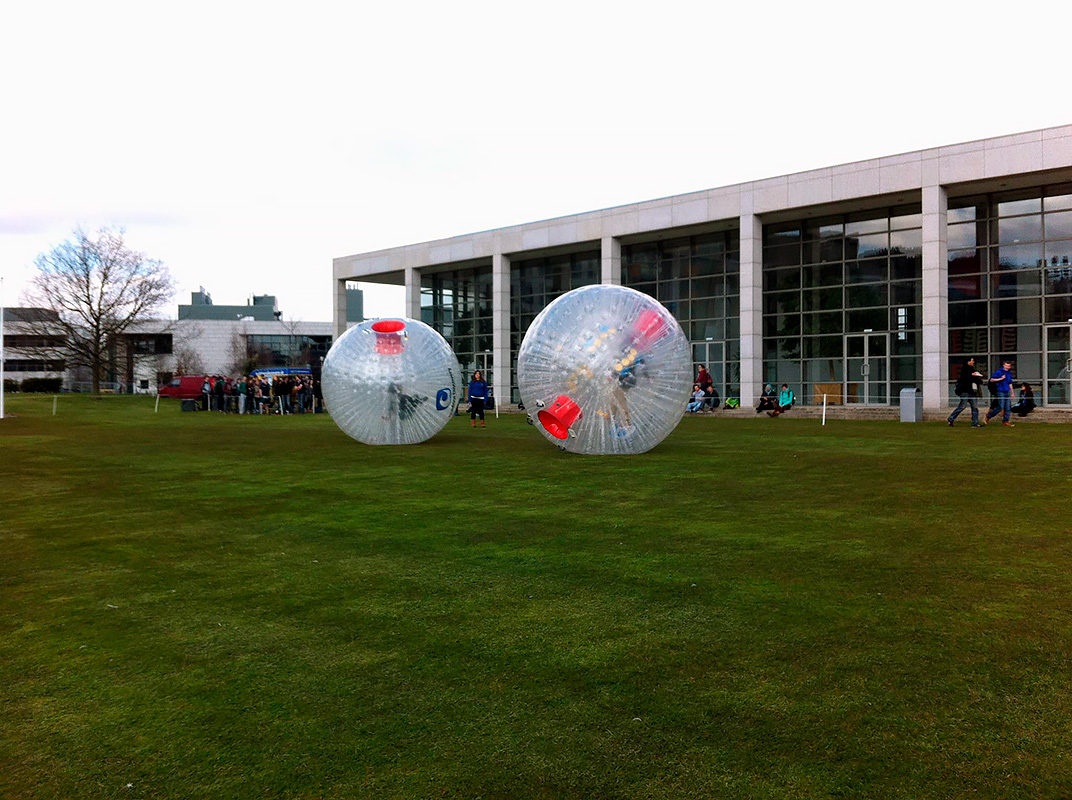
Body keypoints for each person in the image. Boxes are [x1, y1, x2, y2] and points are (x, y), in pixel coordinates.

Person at [947, 357, 985, 427]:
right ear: (968, 361)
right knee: (962, 406)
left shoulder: (972, 369)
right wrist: (972, 375)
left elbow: (975, 379)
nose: (973, 362)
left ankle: (975, 423)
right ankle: (951, 419)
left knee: (975, 407)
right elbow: (966, 379)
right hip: (965, 391)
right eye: (972, 360)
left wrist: (979, 380)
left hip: (972, 392)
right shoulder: (964, 369)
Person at [984, 360, 1015, 426]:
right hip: (1000, 391)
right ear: (1003, 365)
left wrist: (1012, 393)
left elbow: (1010, 383)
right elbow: (992, 380)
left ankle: (1005, 421)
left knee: (1008, 407)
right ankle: (988, 416)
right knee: (1001, 407)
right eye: (1006, 365)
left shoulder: (1009, 373)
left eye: (1008, 366)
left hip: (1007, 391)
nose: (1007, 367)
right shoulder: (999, 372)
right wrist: (1000, 379)